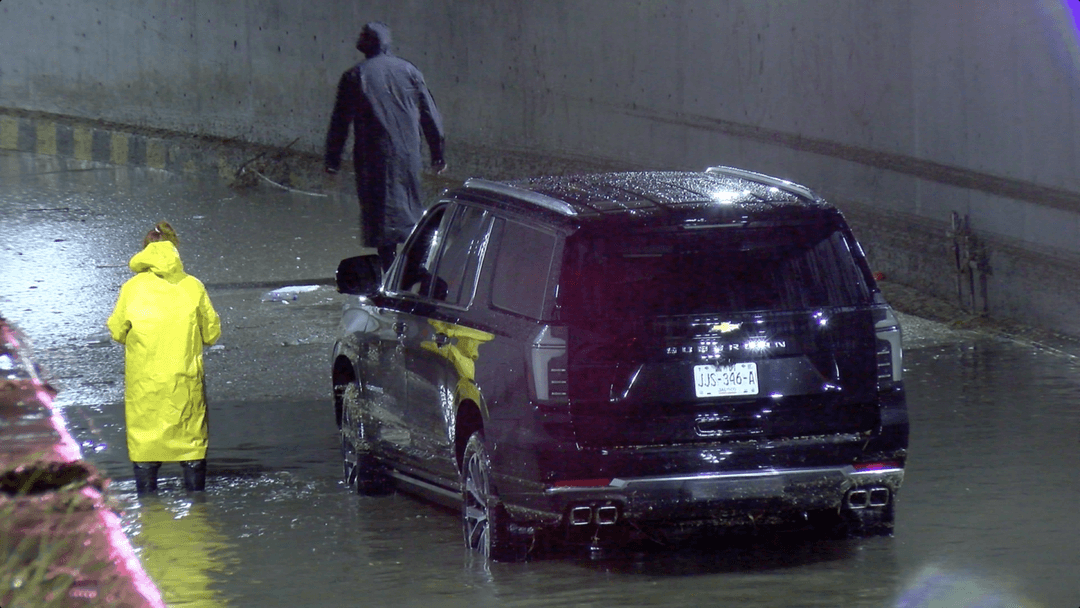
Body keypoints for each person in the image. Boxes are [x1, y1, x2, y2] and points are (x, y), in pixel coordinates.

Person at [107, 222, 221, 494]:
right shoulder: (192, 286)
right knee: (191, 443)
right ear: (175, 248)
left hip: (144, 383)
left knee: (145, 448)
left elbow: (117, 330)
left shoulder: (132, 288)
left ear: (144, 251)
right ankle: (196, 510)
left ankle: (148, 513)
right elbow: (212, 333)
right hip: (184, 380)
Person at [324, 21, 446, 272]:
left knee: (382, 215)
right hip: (409, 154)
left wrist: (332, 162)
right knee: (411, 208)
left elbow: (340, 123)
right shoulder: (409, 70)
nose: (357, 38)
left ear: (369, 42)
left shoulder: (355, 76)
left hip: (374, 157)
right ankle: (415, 268)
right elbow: (430, 114)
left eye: (362, 35)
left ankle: (392, 272)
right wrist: (438, 154)